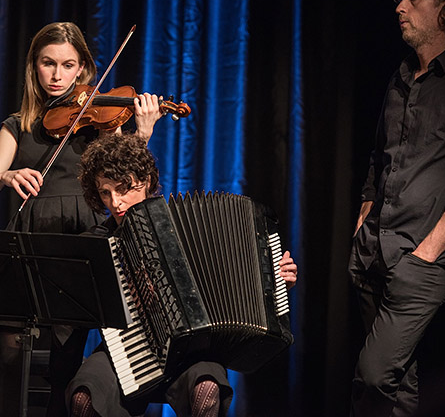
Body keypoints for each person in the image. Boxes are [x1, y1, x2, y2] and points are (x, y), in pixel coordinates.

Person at [0, 22, 163, 417]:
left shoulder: (99, 119)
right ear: (35, 66)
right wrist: (7, 175)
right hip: (31, 236)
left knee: (65, 358)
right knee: (11, 358)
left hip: (82, 236)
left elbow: (122, 176)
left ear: (82, 69)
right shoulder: (18, 124)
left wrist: (142, 134)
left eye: (67, 65)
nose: (57, 74)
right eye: (48, 63)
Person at [65, 133, 298, 417]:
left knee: (207, 390)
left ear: (147, 182)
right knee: (83, 397)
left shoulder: (183, 224)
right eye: (105, 192)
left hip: (191, 353)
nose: (115, 202)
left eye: (124, 188)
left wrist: (273, 279)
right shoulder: (101, 241)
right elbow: (80, 308)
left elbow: (242, 275)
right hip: (128, 348)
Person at [348, 0, 445, 417]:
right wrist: (364, 221)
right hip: (372, 252)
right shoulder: (400, 77)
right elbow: (376, 159)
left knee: (373, 372)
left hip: (421, 258)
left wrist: (430, 249)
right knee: (398, 384)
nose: (400, 8)